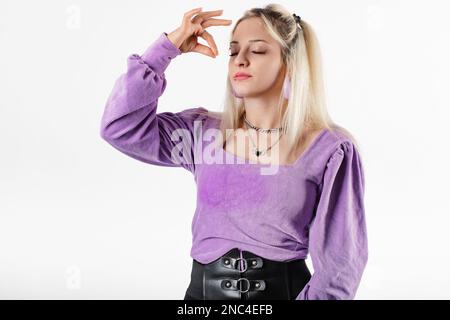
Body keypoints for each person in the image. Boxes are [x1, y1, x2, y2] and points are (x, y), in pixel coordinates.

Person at [99, 4, 368, 300]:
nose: (240, 60)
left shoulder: (330, 149)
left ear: (290, 63)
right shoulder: (202, 133)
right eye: (233, 51)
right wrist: (167, 48)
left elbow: (341, 264)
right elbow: (119, 127)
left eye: (258, 51)